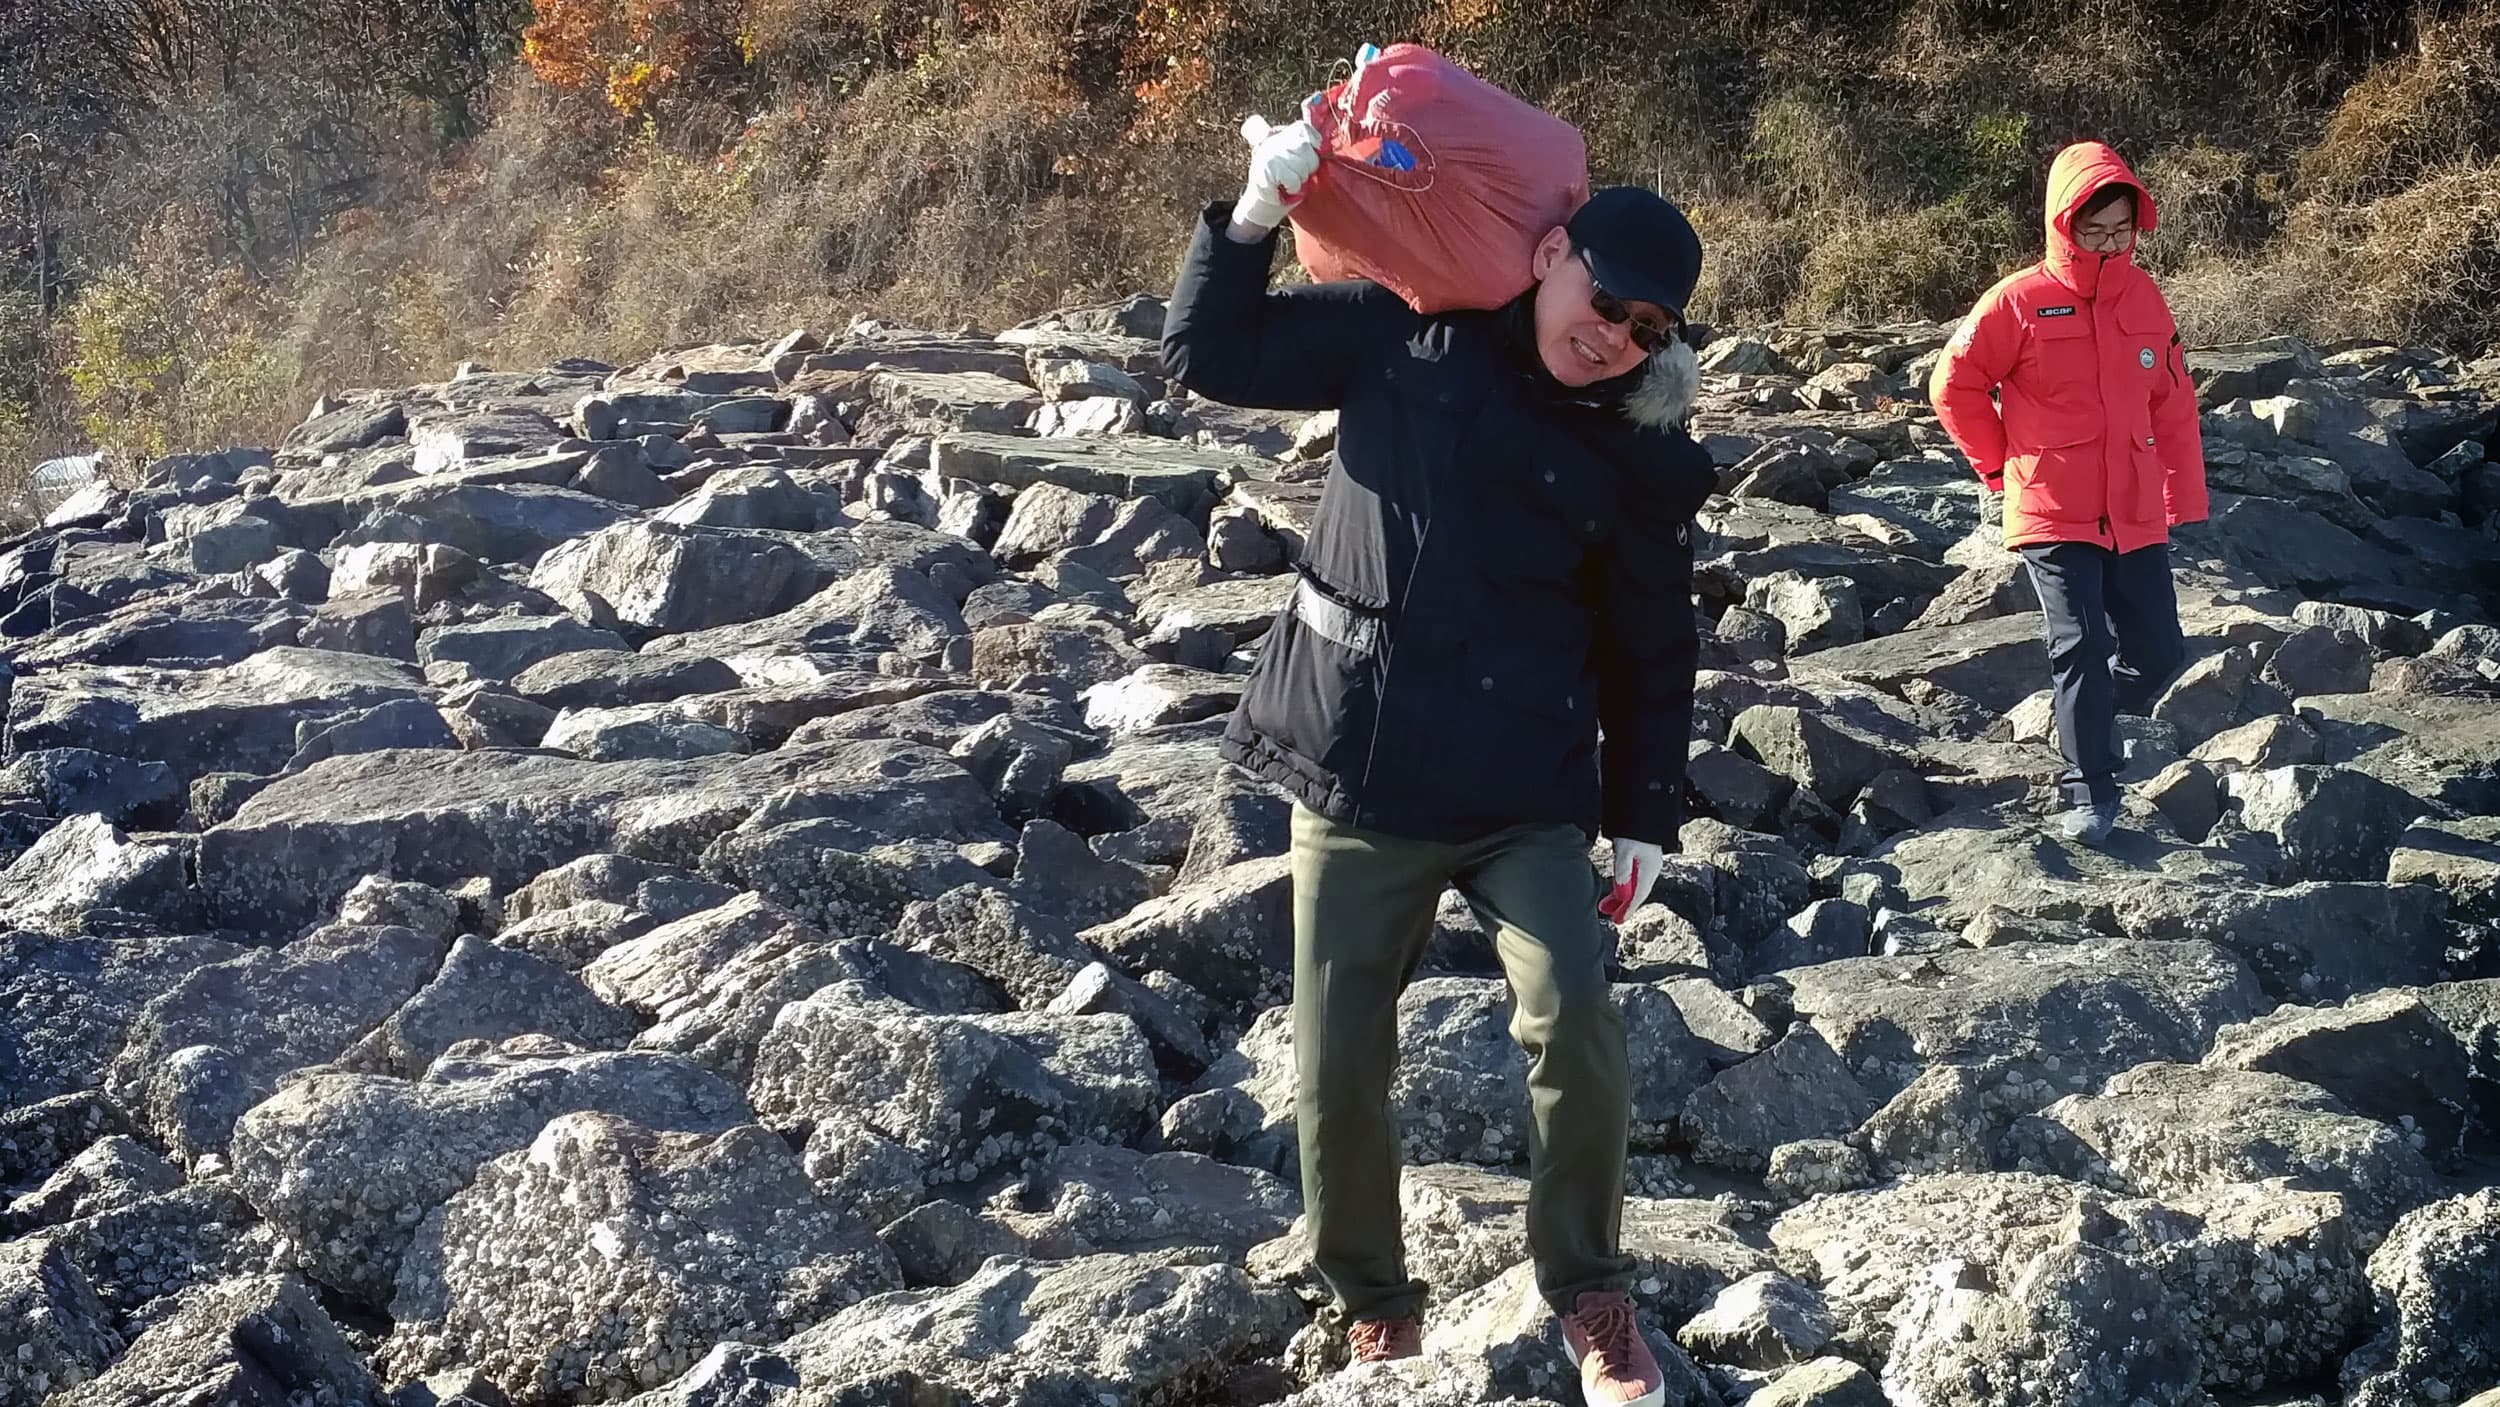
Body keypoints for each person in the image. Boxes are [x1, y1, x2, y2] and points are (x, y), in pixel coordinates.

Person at [1161, 111, 1715, 1407]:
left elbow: (1653, 644)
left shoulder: (1633, 451)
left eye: (1652, 331)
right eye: (1609, 300)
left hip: (1526, 793)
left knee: (1574, 1013)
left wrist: (1642, 815)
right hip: (1362, 771)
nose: (1617, 336)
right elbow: (1209, 350)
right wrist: (1252, 212)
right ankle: (1374, 1306)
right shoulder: (1399, 334)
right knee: (1339, 1053)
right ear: (1553, 255)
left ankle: (1588, 1289)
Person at [1929, 140, 2208, 845]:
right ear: (2063, 226)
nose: (2112, 245)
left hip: (2134, 509)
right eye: (2096, 232)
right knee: (2080, 642)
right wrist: (1999, 468)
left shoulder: (2145, 298)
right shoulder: (2019, 301)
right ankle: (2090, 788)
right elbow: (1951, 385)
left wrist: (2184, 498)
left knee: (2162, 651)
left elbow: (2173, 404)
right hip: (2053, 506)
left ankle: (2085, 720)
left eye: (2123, 231)